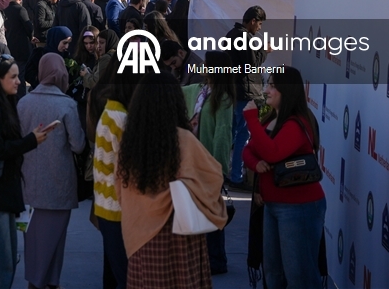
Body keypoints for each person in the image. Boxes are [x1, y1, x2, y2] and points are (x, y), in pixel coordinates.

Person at [117, 74, 226, 289]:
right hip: (180, 236)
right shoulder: (183, 140)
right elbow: (213, 177)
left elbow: (121, 190)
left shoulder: (129, 144)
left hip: (140, 236)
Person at [0, 56, 55, 289]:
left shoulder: (4, 102)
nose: (18, 82)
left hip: (1, 195)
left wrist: (30, 139)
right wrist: (30, 141)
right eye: (12, 77)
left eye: (18, 76)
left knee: (7, 262)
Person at [242, 67, 326, 289]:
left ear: (285, 90)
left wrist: (251, 119)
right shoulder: (271, 118)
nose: (266, 90)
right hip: (273, 206)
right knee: (273, 274)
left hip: (298, 208)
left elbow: (272, 152)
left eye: (272, 85)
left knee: (300, 277)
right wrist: (256, 164)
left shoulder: (297, 122)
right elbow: (249, 151)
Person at [17, 53, 86, 289]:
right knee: (55, 238)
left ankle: (34, 278)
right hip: (59, 184)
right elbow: (78, 145)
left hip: (28, 185)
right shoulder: (67, 104)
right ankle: (50, 280)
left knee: (32, 239)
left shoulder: (24, 102)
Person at [89, 55, 139, 289]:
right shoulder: (121, 118)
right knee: (125, 278)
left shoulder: (112, 110)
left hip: (107, 206)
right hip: (116, 210)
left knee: (112, 275)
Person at [190, 55, 237, 275]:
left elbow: (222, 135)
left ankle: (216, 260)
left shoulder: (223, 98)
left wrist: (219, 169)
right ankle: (204, 258)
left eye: (206, 65)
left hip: (209, 166)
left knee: (211, 216)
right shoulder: (200, 91)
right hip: (194, 163)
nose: (202, 67)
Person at [227, 5, 269, 189]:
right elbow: (253, 62)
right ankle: (236, 175)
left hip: (236, 89)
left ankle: (232, 172)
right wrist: (265, 51)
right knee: (243, 134)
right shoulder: (245, 37)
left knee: (235, 133)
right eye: (259, 24)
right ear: (252, 21)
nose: (259, 28)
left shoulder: (232, 34)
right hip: (245, 90)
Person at [2, 0, 33, 66]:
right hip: (22, 46)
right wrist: (31, 36)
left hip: (9, 43)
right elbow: (28, 26)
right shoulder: (21, 10)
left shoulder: (5, 11)